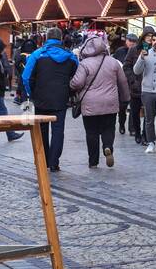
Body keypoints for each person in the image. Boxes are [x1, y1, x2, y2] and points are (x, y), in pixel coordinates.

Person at [70, 30, 131, 169]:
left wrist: (70, 84)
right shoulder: (113, 62)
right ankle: (107, 147)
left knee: (91, 132)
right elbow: (122, 82)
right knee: (108, 128)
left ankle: (93, 161)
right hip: (110, 102)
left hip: (90, 104)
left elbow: (77, 83)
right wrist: (125, 98)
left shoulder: (85, 64)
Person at [22, 27, 79, 172]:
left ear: (46, 38)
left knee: (41, 130)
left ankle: (43, 160)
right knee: (58, 130)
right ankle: (54, 162)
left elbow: (26, 77)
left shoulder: (37, 55)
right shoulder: (70, 56)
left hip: (41, 98)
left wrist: (32, 93)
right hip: (61, 98)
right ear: (60, 39)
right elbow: (77, 76)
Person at [120, 34, 145, 142]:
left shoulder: (145, 50)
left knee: (138, 109)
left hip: (139, 85)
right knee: (124, 107)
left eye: (134, 41)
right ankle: (122, 124)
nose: (131, 43)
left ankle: (135, 130)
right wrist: (132, 80)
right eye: (130, 41)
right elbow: (124, 66)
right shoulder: (120, 51)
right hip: (125, 83)